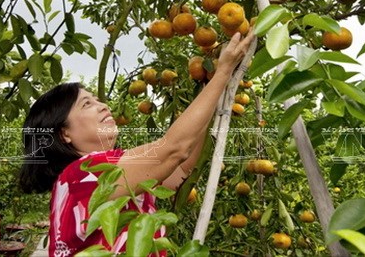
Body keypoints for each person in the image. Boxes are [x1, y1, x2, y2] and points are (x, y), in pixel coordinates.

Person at [19, 31, 254, 256]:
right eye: (86, 104)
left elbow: (181, 165)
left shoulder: (111, 174)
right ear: (64, 134)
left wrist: (209, 88)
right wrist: (223, 72)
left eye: (97, 100)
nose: (102, 106)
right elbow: (173, 150)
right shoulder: (80, 175)